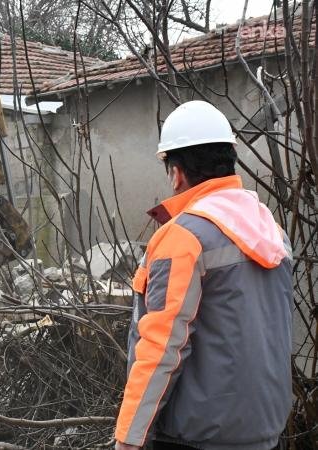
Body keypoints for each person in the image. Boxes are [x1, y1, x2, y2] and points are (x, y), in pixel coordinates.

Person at [115, 101, 293, 450]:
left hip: (197, 437)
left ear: (176, 173)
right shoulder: (270, 229)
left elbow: (163, 346)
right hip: (264, 431)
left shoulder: (183, 238)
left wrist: (129, 437)